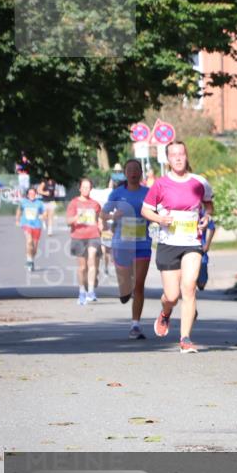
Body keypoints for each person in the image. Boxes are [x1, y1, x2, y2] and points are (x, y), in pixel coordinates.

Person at [141, 141, 213, 353]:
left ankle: (185, 339)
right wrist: (159, 219)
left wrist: (207, 216)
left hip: (192, 242)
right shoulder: (161, 184)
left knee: (189, 287)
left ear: (186, 156)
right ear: (168, 159)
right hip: (168, 243)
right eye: (174, 155)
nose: (178, 158)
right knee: (172, 296)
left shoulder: (199, 182)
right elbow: (146, 210)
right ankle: (165, 313)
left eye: (181, 154)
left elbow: (208, 204)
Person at [104, 160, 152, 339]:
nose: (133, 172)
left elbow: (156, 212)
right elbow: (103, 213)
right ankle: (124, 290)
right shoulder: (117, 193)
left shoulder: (148, 193)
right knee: (126, 283)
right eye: (129, 169)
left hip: (142, 244)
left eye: (136, 169)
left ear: (141, 172)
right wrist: (112, 216)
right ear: (124, 173)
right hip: (122, 245)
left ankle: (135, 325)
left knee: (139, 285)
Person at [67, 177, 103, 305]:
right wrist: (77, 217)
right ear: (80, 188)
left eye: (88, 187)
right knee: (82, 267)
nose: (86, 189)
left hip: (93, 236)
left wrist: (100, 224)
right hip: (78, 237)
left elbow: (99, 218)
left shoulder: (95, 204)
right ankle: (82, 290)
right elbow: (68, 221)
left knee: (92, 260)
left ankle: (91, 291)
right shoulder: (74, 203)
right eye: (84, 187)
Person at [15, 186, 45, 271]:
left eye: (33, 193)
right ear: (27, 195)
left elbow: (44, 213)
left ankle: (31, 260)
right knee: (29, 241)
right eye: (30, 193)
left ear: (36, 194)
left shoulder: (39, 203)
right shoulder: (23, 202)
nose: (32, 195)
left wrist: (43, 216)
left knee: (34, 248)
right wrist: (17, 219)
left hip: (37, 226)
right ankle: (29, 260)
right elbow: (19, 211)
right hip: (26, 224)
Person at [197, 216, 216, 291]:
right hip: (185, 246)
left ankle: (201, 282)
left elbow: (212, 228)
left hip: (201, 246)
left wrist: (207, 244)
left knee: (203, 264)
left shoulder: (203, 214)